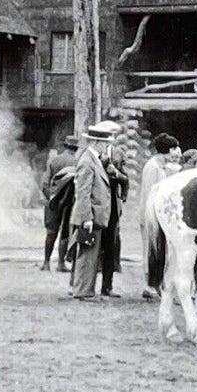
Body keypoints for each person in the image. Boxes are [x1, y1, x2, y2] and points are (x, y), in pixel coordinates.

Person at [68, 121, 116, 300]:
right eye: (105, 143)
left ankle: (85, 290)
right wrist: (86, 218)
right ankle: (83, 291)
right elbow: (83, 193)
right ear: (96, 142)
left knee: (91, 255)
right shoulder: (87, 161)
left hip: (95, 215)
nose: (107, 146)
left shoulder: (93, 159)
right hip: (90, 216)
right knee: (87, 255)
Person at [136, 133, 181, 299]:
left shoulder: (162, 167)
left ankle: (156, 283)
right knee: (150, 250)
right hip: (150, 217)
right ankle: (149, 285)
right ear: (165, 151)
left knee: (160, 251)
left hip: (157, 217)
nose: (176, 152)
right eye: (174, 149)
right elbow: (150, 194)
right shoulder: (153, 167)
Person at [41, 134, 78, 271]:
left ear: (65, 146)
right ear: (75, 148)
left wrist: (51, 198)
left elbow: (45, 183)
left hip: (53, 202)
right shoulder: (77, 162)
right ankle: (61, 264)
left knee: (51, 233)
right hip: (69, 203)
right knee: (65, 233)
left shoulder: (53, 161)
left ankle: (46, 263)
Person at [100, 135, 129, 298]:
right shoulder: (87, 154)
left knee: (110, 247)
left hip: (111, 206)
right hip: (94, 205)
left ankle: (107, 286)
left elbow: (125, 180)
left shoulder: (118, 154)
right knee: (86, 244)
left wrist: (116, 173)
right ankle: (79, 285)